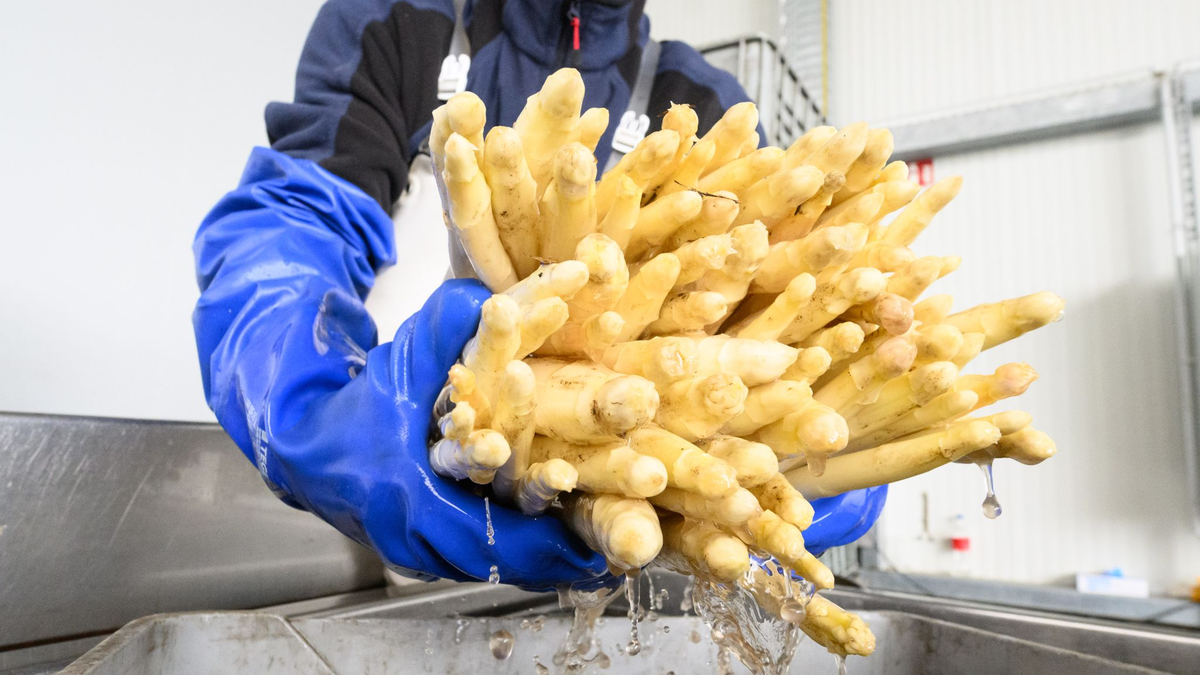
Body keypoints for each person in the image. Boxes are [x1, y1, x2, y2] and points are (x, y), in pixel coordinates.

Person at [192, 0, 886, 590]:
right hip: (375, 562)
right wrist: (311, 405)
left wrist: (816, 437)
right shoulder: (406, 21)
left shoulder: (703, 106)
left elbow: (756, 325)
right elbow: (293, 223)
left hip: (613, 573)